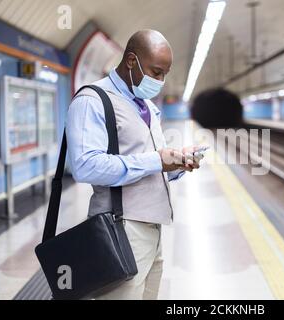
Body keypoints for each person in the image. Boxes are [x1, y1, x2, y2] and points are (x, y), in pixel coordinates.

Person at [66, 30, 202, 300]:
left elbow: (150, 162)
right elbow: (85, 166)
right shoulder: (92, 100)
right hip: (120, 228)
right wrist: (156, 160)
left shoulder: (147, 107)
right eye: (155, 72)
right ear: (131, 61)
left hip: (153, 229)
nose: (160, 81)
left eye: (165, 74)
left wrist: (176, 164)